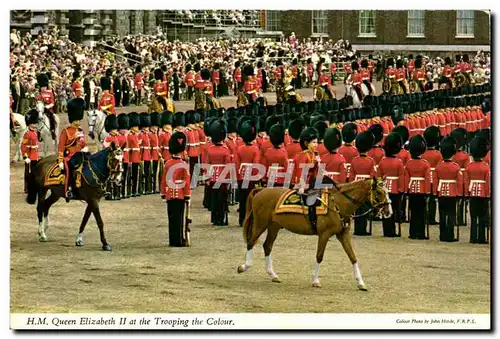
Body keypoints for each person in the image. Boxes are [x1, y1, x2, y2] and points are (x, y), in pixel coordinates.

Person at [161, 131, 191, 247]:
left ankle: (172, 240)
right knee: (179, 219)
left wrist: (163, 193)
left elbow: (164, 180)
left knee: (171, 218)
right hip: (180, 194)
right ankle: (179, 240)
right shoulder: (183, 164)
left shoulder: (168, 163)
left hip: (170, 194)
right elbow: (186, 182)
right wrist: (187, 195)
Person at [57, 98, 88, 202]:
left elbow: (83, 144)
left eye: (79, 120)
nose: (78, 122)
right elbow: (61, 147)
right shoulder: (65, 131)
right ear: (72, 120)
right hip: (68, 157)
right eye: (76, 120)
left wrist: (83, 146)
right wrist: (60, 160)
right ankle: (68, 189)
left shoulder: (81, 131)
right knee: (69, 171)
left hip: (80, 154)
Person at [434, 136, 462, 242]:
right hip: (452, 192)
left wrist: (435, 192)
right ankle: (450, 235)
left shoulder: (439, 166)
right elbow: (459, 182)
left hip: (441, 192)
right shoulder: (455, 167)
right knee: (451, 215)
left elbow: (436, 181)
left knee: (442, 214)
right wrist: (459, 194)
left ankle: (442, 235)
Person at [377, 132, 405, 237]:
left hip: (384, 188)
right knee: (393, 210)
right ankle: (392, 231)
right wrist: (401, 189)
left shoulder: (382, 161)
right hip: (395, 189)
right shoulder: (399, 162)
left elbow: (378, 176)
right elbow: (401, 177)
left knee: (385, 209)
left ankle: (387, 231)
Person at [292, 127, 320, 231]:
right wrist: (302, 186)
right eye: (313, 142)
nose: (316, 145)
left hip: (312, 182)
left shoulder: (314, 154)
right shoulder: (302, 156)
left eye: (316, 142)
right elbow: (301, 173)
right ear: (306, 143)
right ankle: (312, 221)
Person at [464, 136, 490, 244]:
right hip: (483, 193)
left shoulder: (469, 167)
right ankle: (481, 238)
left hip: (472, 193)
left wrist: (466, 194)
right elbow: (488, 183)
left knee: (473, 216)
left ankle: (473, 237)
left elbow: (466, 181)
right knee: (483, 216)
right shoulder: (486, 167)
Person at [350, 131, 376, 236]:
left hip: (356, 185)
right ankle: (362, 229)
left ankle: (357, 228)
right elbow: (372, 175)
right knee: (365, 207)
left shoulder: (354, 160)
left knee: (357, 207)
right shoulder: (371, 160)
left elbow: (351, 175)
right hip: (366, 185)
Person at [235, 117, 260, 226]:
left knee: (242, 199)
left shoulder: (239, 148)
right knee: (251, 199)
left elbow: (236, 164)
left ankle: (241, 220)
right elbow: (256, 165)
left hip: (241, 176)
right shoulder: (255, 149)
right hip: (251, 177)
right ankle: (250, 219)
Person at [404, 135, 431, 240]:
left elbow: (406, 178)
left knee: (413, 212)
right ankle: (420, 233)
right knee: (421, 212)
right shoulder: (425, 164)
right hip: (422, 190)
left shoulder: (409, 163)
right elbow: (427, 180)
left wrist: (406, 190)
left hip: (412, 190)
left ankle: (413, 232)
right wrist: (428, 192)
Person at [206, 119, 231, 227]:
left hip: (212, 177)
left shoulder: (210, 149)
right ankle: (221, 219)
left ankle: (214, 218)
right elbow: (228, 166)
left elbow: (206, 165)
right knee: (222, 199)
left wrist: (207, 178)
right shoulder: (225, 150)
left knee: (214, 199)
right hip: (223, 177)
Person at [422, 126, 442, 225]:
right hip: (434, 177)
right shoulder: (438, 154)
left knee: (424, 198)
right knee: (432, 199)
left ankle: (424, 217)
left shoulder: (423, 153)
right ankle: (431, 218)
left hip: (424, 177)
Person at [450, 128, 470, 226]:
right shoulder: (464, 156)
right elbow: (467, 171)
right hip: (461, 181)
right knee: (461, 201)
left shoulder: (450, 154)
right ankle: (460, 219)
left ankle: (453, 218)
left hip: (451, 180)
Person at [263, 123, 289, 188]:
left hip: (270, 178)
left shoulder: (268, 151)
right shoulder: (283, 152)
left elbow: (265, 165)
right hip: (281, 180)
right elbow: (287, 167)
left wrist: (264, 178)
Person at [102, 114, 121, 200]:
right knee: (109, 177)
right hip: (110, 160)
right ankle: (109, 193)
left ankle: (116, 194)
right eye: (113, 129)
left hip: (116, 160)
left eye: (116, 129)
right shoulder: (108, 138)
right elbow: (105, 148)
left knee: (116, 176)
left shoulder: (116, 138)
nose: (115, 131)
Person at [21, 109, 40, 194]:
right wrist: (25, 157)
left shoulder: (35, 132)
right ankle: (27, 188)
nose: (34, 125)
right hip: (29, 156)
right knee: (28, 173)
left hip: (35, 155)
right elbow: (23, 146)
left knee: (34, 173)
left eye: (35, 123)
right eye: (32, 123)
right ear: (29, 124)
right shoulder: (27, 134)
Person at [36, 73, 57, 139]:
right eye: (42, 87)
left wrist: (47, 107)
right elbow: (37, 100)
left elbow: (52, 102)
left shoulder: (50, 92)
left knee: (52, 117)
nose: (43, 88)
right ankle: (36, 131)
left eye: (44, 87)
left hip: (48, 109)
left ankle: (52, 130)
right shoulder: (39, 93)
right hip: (40, 109)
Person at [127, 112, 142, 197]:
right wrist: (129, 160)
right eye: (135, 126)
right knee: (130, 176)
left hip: (137, 158)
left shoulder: (137, 135)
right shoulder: (129, 136)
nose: (137, 128)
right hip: (131, 158)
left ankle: (134, 190)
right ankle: (130, 191)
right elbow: (128, 149)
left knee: (136, 175)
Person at [117, 113, 130, 199]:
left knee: (125, 176)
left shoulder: (127, 135)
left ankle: (123, 192)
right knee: (119, 176)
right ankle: (118, 192)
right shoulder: (118, 136)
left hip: (126, 158)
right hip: (120, 159)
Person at [139, 113, 152, 195]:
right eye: (146, 127)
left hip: (148, 156)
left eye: (148, 127)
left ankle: (148, 188)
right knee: (142, 174)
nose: (147, 128)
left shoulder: (148, 135)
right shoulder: (141, 135)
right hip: (142, 156)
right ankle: (142, 189)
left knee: (148, 173)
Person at [150, 112, 162, 194]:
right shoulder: (150, 135)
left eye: (157, 126)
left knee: (157, 173)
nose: (156, 128)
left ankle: (156, 187)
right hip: (151, 156)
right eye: (155, 126)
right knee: (152, 173)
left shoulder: (156, 134)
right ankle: (152, 188)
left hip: (157, 155)